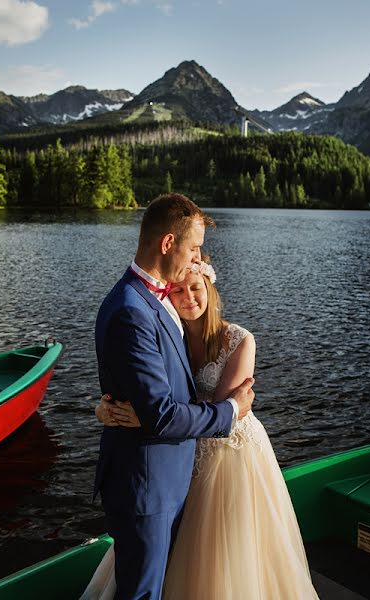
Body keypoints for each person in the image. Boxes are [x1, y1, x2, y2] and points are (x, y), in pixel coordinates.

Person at [88, 255, 319, 600]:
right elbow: (145, 387)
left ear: (209, 290)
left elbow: (221, 412)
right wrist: (106, 407)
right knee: (167, 535)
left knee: (221, 547)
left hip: (229, 452)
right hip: (182, 445)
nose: (188, 297)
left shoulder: (239, 341)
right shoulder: (170, 334)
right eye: (178, 290)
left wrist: (149, 415)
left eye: (196, 288)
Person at [91, 193, 256, 600]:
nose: (199, 258)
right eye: (194, 247)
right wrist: (232, 409)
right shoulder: (132, 309)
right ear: (168, 244)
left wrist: (107, 404)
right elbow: (161, 415)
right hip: (148, 487)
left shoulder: (159, 298)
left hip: (173, 478)